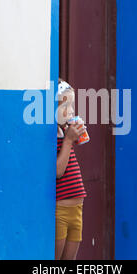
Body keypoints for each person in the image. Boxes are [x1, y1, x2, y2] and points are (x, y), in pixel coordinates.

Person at [55, 79, 88, 260]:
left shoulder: (63, 130)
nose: (71, 111)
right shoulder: (53, 135)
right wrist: (68, 141)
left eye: (72, 105)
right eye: (65, 105)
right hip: (60, 212)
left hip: (77, 209)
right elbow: (58, 171)